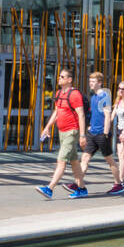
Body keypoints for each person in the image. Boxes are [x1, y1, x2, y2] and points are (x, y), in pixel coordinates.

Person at [36, 68, 87, 199]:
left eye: (62, 77)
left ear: (69, 80)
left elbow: (81, 115)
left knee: (61, 160)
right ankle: (82, 188)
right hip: (62, 131)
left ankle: (50, 188)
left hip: (72, 131)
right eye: (59, 76)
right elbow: (57, 112)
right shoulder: (59, 93)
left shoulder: (74, 95)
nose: (59, 78)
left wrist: (82, 135)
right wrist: (47, 127)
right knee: (74, 161)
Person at [80, 71, 124, 196]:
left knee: (110, 160)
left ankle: (118, 184)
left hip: (101, 134)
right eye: (90, 81)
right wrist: (90, 126)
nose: (91, 84)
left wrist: (105, 134)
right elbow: (95, 114)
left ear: (99, 83)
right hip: (92, 133)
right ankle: (78, 183)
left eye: (93, 82)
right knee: (84, 158)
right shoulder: (93, 96)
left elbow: (107, 115)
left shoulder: (104, 96)